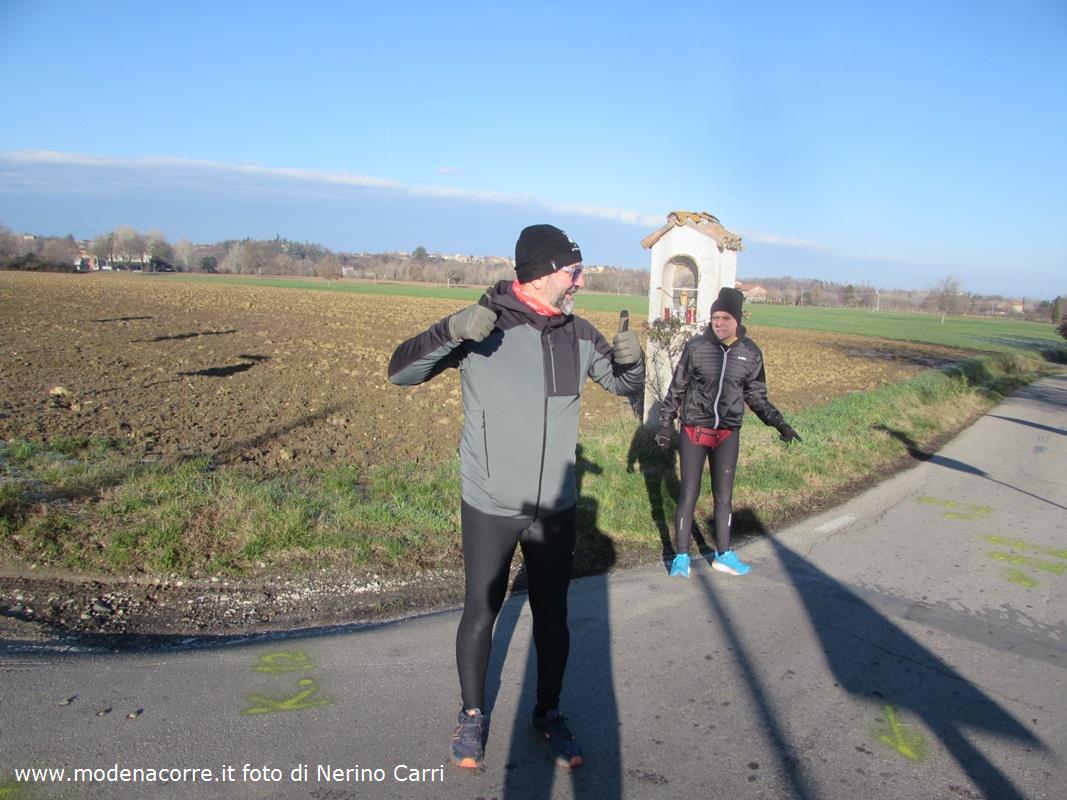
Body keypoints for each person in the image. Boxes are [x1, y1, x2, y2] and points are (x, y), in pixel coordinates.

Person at [388, 224, 644, 770]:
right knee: (481, 612)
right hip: (490, 501)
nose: (581, 281)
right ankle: (471, 715)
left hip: (554, 507)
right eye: (574, 271)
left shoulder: (579, 334)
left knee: (553, 618)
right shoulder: (485, 325)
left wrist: (633, 361)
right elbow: (400, 373)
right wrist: (450, 329)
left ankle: (547, 715)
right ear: (545, 272)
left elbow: (624, 385)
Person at [656, 286, 800, 579]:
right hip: (695, 430)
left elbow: (757, 397)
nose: (718, 323)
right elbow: (677, 388)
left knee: (724, 497)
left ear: (737, 319)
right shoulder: (696, 348)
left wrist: (780, 423)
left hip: (727, 434)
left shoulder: (750, 353)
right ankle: (681, 557)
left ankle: (724, 554)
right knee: (689, 493)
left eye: (724, 318)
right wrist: (664, 423)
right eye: (714, 318)